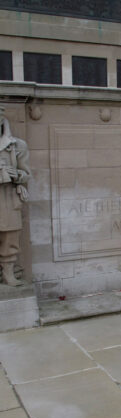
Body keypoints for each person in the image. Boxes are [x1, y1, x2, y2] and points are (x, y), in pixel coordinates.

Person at [0, 106, 31, 286]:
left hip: (8, 197)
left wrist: (15, 175)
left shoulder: (17, 145)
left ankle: (8, 273)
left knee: (10, 237)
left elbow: (26, 174)